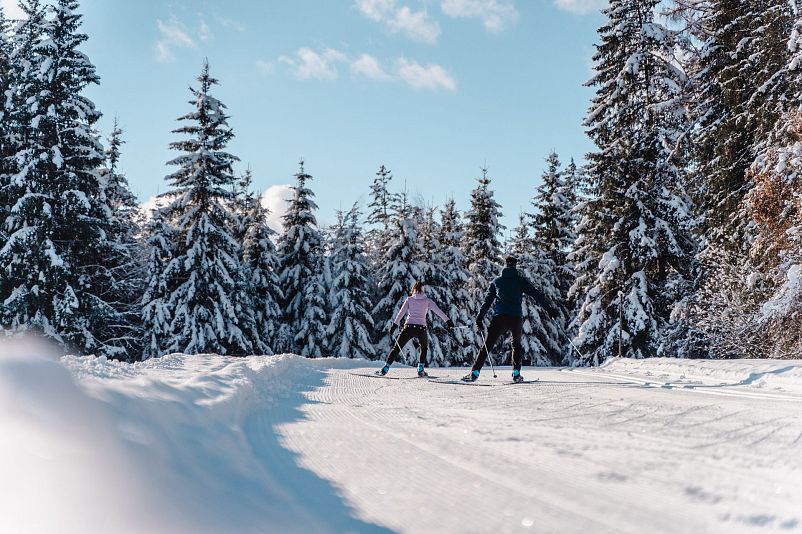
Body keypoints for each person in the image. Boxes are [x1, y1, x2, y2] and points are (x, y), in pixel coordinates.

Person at [463, 256, 557, 383]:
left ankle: (474, 373)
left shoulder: (497, 282)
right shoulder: (520, 281)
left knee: (487, 345)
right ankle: (516, 374)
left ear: (505, 265)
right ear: (515, 265)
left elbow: (487, 301)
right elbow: (535, 293)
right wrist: (549, 308)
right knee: (516, 345)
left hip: (500, 317)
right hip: (516, 318)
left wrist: (479, 318)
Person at [378, 281, 454, 377]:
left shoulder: (409, 300)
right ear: (423, 290)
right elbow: (438, 311)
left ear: (414, 289)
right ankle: (420, 369)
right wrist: (448, 321)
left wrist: (394, 325)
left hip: (409, 327)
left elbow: (400, 313)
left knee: (397, 348)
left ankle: (385, 368)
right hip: (421, 328)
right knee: (424, 348)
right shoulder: (427, 301)